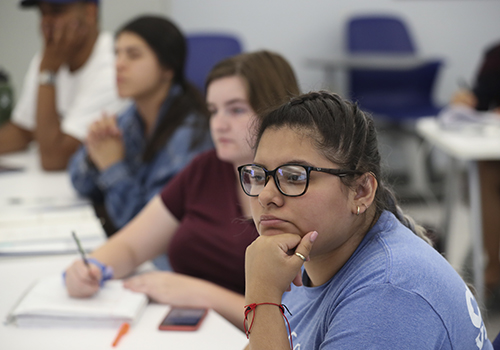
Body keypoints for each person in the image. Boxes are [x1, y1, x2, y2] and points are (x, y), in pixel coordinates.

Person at [63, 50, 300, 329]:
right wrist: (90, 268)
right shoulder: (206, 168)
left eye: (236, 110)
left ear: (275, 111)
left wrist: (200, 294)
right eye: (213, 110)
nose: (219, 124)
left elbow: (295, 325)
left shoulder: (300, 191)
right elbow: (130, 246)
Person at [241, 91, 492, 349]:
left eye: (294, 177)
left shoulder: (389, 291)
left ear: (361, 191)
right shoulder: (302, 262)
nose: (266, 196)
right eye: (259, 176)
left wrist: (263, 297)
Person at [67, 16, 213, 233]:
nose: (119, 64)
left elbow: (146, 229)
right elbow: (79, 181)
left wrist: (110, 166)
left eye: (133, 55)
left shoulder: (189, 136)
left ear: (168, 68)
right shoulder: (131, 117)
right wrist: (94, 154)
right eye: (116, 54)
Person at [0, 0, 126, 170]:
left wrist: (48, 74)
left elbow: (54, 158)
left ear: (90, 13)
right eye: (43, 13)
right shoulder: (49, 58)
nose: (46, 22)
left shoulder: (115, 65)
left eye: (57, 12)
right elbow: (23, 130)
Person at [452, 42, 500, 297]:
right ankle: (493, 267)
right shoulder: (495, 56)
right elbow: (479, 100)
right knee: (486, 167)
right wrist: (467, 101)